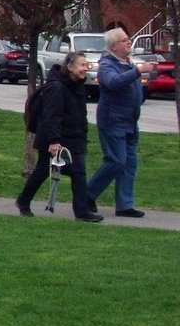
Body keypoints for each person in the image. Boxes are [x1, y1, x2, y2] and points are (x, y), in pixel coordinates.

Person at [15, 52, 104, 221]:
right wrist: (54, 141)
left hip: (73, 138)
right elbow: (51, 117)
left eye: (87, 65)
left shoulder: (77, 86)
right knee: (43, 171)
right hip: (55, 140)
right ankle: (24, 200)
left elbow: (79, 115)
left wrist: (82, 135)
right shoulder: (56, 88)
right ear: (69, 67)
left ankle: (81, 211)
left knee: (78, 172)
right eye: (82, 65)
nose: (86, 68)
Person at [87, 27, 156, 218]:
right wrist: (137, 71)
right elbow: (113, 82)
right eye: (125, 40)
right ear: (114, 46)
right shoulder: (108, 64)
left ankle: (124, 205)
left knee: (129, 164)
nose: (129, 42)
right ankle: (87, 194)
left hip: (130, 123)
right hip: (112, 122)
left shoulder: (128, 62)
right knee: (116, 161)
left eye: (128, 39)